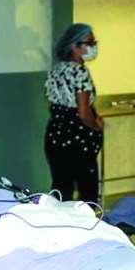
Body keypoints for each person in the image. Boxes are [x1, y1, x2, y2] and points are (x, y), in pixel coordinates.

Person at [43, 23, 104, 203]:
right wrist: (97, 125)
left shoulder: (55, 70)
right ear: (74, 46)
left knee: (61, 188)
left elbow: (54, 103)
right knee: (88, 192)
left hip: (55, 136)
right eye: (89, 43)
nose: (93, 47)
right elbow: (83, 112)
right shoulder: (80, 72)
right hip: (78, 139)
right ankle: (89, 220)